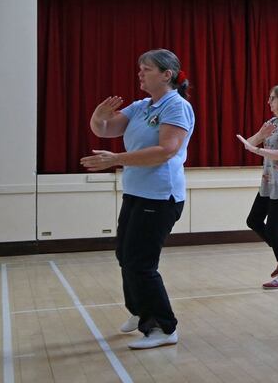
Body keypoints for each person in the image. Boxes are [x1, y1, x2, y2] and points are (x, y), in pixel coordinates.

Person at [81, 48, 195, 350]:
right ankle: (139, 310)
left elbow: (167, 150)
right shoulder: (143, 105)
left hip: (160, 196)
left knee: (141, 263)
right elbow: (105, 129)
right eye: (140, 68)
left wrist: (116, 159)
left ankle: (163, 326)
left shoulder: (176, 106)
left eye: (146, 69)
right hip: (136, 192)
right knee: (125, 257)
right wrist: (97, 117)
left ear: (166, 74)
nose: (140, 73)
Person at [237, 84, 278, 290]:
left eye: (272, 98)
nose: (269, 102)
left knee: (273, 228)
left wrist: (257, 149)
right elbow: (248, 143)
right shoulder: (273, 123)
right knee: (253, 220)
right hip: (268, 180)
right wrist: (260, 135)